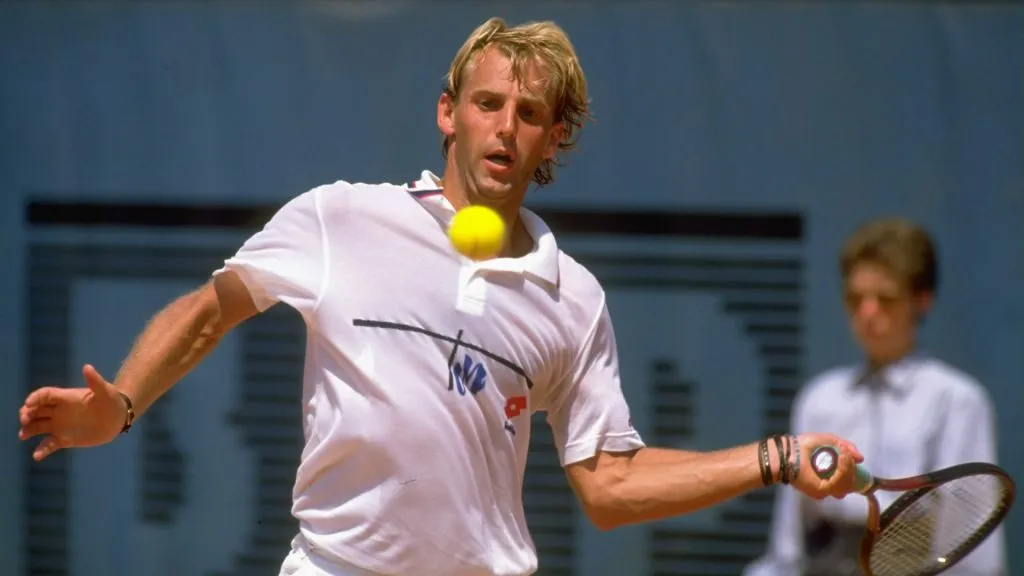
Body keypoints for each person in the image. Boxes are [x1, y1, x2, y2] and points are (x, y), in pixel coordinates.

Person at [18, 17, 863, 576]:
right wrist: (121, 404)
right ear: (447, 114)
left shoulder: (573, 297)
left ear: (553, 137)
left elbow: (608, 485)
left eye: (529, 113)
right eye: (487, 103)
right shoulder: (339, 216)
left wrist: (777, 458)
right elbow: (210, 310)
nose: (505, 126)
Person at [744, 217, 1005, 576]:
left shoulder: (956, 400)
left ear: (922, 301)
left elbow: (972, 551)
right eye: (856, 299)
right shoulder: (819, 398)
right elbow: (790, 541)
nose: (867, 313)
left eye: (886, 299)